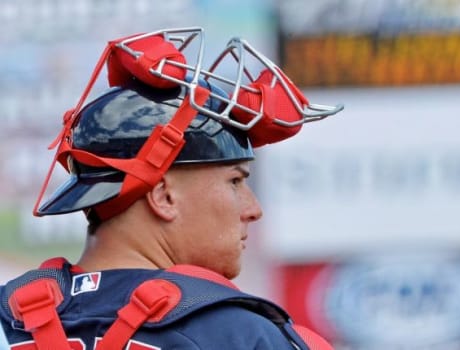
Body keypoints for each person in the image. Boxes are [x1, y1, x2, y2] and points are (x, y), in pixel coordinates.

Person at [0, 27, 343, 349]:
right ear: (164, 196)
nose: (253, 209)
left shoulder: (7, 318)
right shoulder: (241, 333)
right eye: (235, 181)